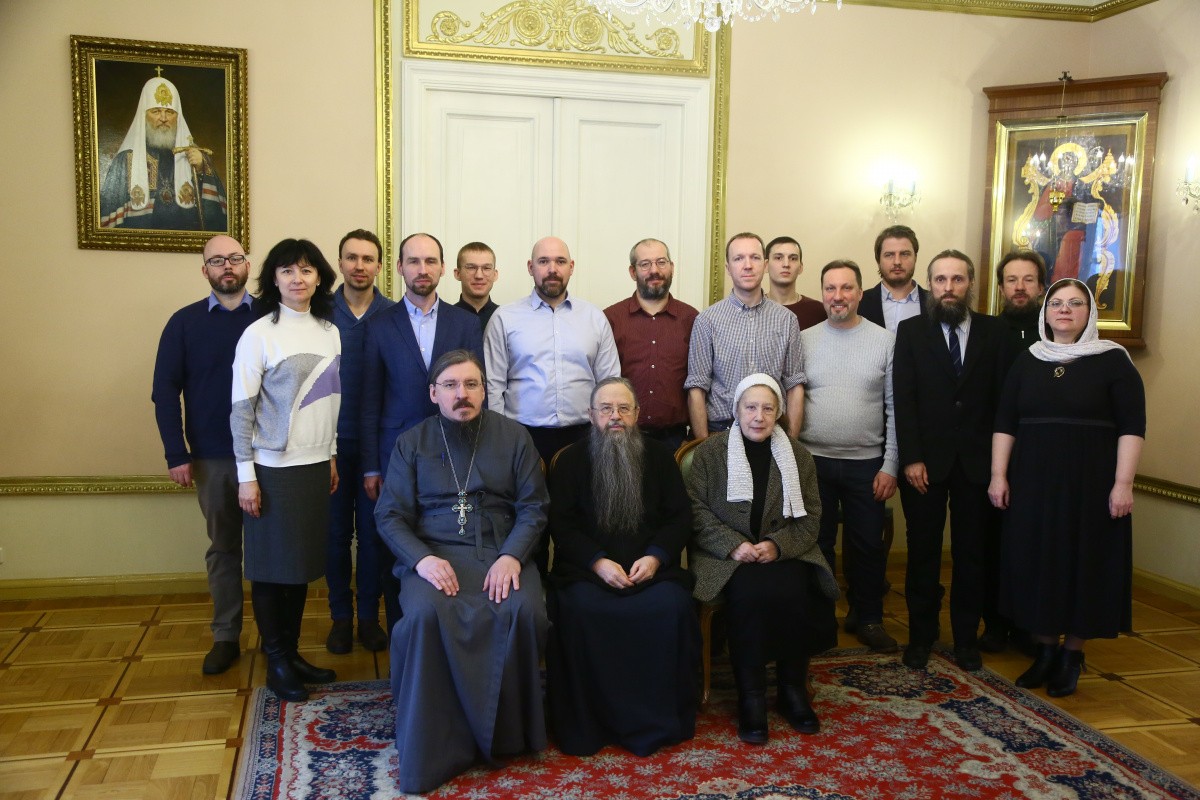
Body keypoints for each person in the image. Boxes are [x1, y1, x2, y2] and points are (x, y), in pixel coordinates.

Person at [375, 349, 549, 794]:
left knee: (524, 610)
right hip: (433, 555)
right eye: (451, 385)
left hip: (499, 550)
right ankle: (437, 741)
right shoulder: (411, 442)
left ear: (484, 391)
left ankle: (509, 736)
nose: (462, 394)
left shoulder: (514, 437)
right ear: (433, 393)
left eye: (471, 384)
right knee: (425, 615)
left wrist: (512, 556)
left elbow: (533, 507)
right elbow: (390, 515)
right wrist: (421, 560)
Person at [988, 279, 1145, 698]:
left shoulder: (1113, 361)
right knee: (1037, 560)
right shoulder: (1029, 359)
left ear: (1089, 312)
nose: (1064, 309)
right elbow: (1005, 422)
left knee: (1084, 563)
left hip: (1091, 485)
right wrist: (999, 475)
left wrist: (1123, 484)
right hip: (1032, 481)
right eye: (1056, 302)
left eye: (1075, 303)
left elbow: (1132, 427)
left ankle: (1072, 655)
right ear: (1046, 311)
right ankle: (1044, 651)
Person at [546, 377, 698, 756]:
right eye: (606, 409)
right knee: (579, 608)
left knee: (672, 605)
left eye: (623, 409)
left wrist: (656, 557)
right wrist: (597, 562)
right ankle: (590, 723)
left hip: (650, 571)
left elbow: (679, 517)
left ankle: (657, 719)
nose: (615, 416)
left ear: (637, 414)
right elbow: (561, 525)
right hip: (588, 573)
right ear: (591, 415)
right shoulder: (571, 461)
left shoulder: (659, 458)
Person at [687, 374, 838, 744]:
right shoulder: (709, 453)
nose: (759, 416)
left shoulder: (798, 456)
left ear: (778, 413)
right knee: (750, 592)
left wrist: (777, 545)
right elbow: (694, 510)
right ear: (736, 410)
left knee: (798, 587)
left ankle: (791, 690)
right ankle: (751, 696)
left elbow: (812, 517)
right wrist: (732, 544)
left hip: (785, 551)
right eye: (751, 407)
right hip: (726, 555)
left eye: (768, 408)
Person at [231, 238, 342, 701]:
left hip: (315, 466)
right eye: (288, 270)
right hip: (271, 469)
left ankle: (292, 654)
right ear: (273, 279)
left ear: (319, 278)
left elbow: (330, 399)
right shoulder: (259, 334)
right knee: (271, 570)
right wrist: (247, 476)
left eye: (306, 270)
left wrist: (330, 453)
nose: (298, 278)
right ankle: (276, 660)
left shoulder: (329, 331)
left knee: (299, 569)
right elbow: (241, 411)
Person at [893, 250, 1010, 672]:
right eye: (940, 280)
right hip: (924, 465)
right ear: (930, 285)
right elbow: (903, 399)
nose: (948, 288)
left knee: (971, 556)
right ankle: (921, 638)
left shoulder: (994, 332)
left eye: (957, 279)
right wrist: (911, 458)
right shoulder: (911, 332)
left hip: (977, 466)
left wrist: (998, 467)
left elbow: (1003, 403)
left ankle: (965, 640)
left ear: (970, 284)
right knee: (922, 555)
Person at [360, 233, 484, 631]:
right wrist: (370, 466)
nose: (422, 269)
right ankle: (400, 632)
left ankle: (446, 629)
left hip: (454, 450)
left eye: (431, 261)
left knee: (447, 535)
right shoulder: (379, 326)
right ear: (399, 268)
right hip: (395, 453)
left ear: (443, 269)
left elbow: (476, 393)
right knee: (394, 539)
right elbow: (370, 401)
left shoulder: (466, 323)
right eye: (413, 261)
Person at [151, 234, 256, 676]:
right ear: (205, 270)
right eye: (217, 261)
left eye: (234, 258)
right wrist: (176, 453)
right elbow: (164, 392)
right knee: (224, 549)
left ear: (247, 264)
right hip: (213, 457)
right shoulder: (184, 323)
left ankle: (277, 639)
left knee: (270, 551)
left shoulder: (272, 317)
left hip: (269, 455)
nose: (227, 266)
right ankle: (226, 635)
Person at [484, 236, 620, 571]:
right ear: (531, 268)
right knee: (528, 524)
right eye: (543, 262)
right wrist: (501, 440)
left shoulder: (594, 318)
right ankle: (535, 593)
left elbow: (609, 383)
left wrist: (607, 435)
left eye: (560, 261)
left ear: (571, 267)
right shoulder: (505, 318)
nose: (552, 269)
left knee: (579, 521)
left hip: (583, 438)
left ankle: (570, 592)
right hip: (523, 438)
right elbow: (493, 385)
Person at [800, 260, 899, 654]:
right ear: (822, 293)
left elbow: (895, 408)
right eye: (830, 288)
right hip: (813, 461)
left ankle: (868, 617)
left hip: (867, 464)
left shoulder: (885, 341)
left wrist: (890, 463)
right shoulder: (803, 339)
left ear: (860, 293)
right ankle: (821, 620)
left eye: (846, 288)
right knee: (818, 544)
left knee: (867, 546)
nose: (837, 296)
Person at [324, 229, 394, 654]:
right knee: (335, 537)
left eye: (368, 259)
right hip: (328, 445)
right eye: (352, 258)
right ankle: (339, 618)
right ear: (340, 263)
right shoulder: (319, 310)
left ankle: (369, 617)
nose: (360, 266)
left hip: (376, 446)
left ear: (380, 266)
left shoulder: (393, 314)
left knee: (373, 536)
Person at [685, 233, 806, 440]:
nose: (747, 265)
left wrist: (791, 441)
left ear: (765, 265)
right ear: (728, 267)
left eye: (755, 257)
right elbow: (697, 388)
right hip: (721, 431)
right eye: (739, 258)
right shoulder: (707, 320)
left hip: (772, 432)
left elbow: (795, 386)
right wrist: (704, 445)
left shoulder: (787, 320)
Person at [603, 239, 699, 452]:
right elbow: (601, 381)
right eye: (645, 264)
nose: (654, 270)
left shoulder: (692, 319)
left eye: (661, 262)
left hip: (675, 441)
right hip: (621, 437)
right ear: (632, 272)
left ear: (672, 267)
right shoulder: (610, 319)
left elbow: (700, 382)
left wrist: (693, 437)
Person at [100, 74, 228, 231]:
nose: (163, 118)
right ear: (144, 116)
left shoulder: (193, 155)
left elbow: (214, 217)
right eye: (156, 111)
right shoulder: (125, 160)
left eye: (169, 112)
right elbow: (109, 220)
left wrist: (202, 168)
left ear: (177, 117)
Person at [858, 225, 929, 333]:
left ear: (915, 258)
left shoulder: (935, 303)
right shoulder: (859, 303)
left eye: (905, 254)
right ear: (878, 260)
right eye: (889, 255)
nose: (897, 262)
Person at [765, 236, 825, 331]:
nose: (786, 264)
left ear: (800, 267)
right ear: (766, 265)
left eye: (793, 259)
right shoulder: (752, 309)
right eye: (778, 258)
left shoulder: (820, 311)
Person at [996, 249, 1047, 353]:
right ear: (1002, 289)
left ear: (1040, 288)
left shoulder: (1055, 332)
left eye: (1028, 280)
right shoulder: (988, 333)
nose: (1020, 287)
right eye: (1012, 280)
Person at [453, 241, 500, 330]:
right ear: (458, 274)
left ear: (495, 274)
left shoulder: (505, 318)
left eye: (486, 268)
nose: (479, 276)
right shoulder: (443, 319)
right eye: (471, 267)